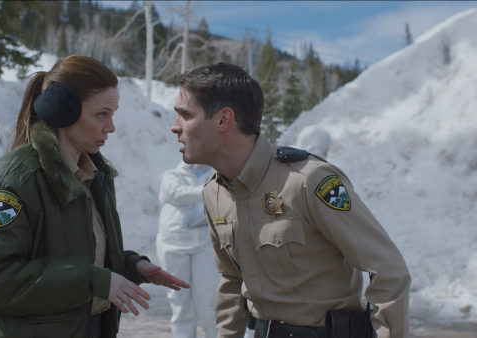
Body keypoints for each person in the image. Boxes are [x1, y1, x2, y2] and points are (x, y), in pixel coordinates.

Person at [170, 62, 411, 338]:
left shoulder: (308, 181)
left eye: (185, 115)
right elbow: (231, 281)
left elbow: (389, 270)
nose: (174, 127)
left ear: (224, 120)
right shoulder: (213, 194)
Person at [0, 55, 189, 338]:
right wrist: (94, 280)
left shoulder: (95, 175)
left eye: (113, 114)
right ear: (63, 110)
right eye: (101, 114)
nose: (111, 127)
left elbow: (75, 255)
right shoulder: (15, 181)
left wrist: (131, 266)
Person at [156, 161, 219, 338]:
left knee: (209, 301)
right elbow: (177, 194)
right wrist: (211, 190)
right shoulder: (172, 175)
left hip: (204, 242)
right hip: (173, 245)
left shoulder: (214, 175)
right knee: (180, 304)